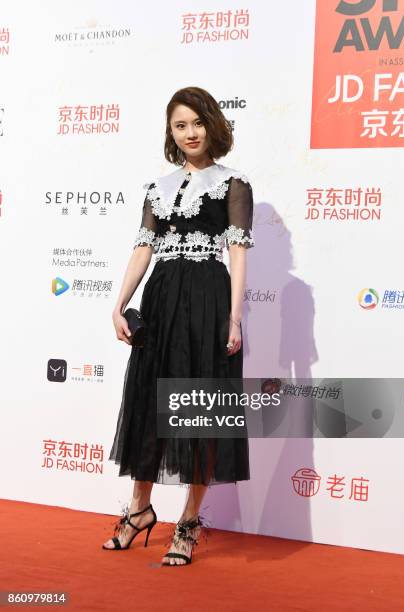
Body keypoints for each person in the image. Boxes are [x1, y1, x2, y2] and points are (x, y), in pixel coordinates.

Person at [102, 86, 255, 566]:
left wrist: (233, 317)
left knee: (197, 412)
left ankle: (187, 523)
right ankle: (139, 510)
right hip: (162, 299)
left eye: (197, 122)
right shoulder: (158, 188)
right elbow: (143, 249)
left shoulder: (234, 184)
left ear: (213, 123)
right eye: (179, 125)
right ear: (171, 132)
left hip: (208, 297)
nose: (190, 133)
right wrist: (119, 303)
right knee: (150, 405)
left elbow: (237, 253)